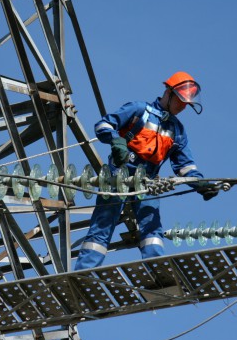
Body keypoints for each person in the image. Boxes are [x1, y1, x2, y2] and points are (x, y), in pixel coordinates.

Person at [75, 71, 219, 270]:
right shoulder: (139, 110)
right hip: (119, 175)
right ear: (168, 92)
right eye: (180, 101)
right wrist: (116, 141)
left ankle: (158, 270)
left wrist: (200, 184)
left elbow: (185, 167)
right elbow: (103, 124)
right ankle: (84, 271)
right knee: (104, 224)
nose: (182, 107)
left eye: (186, 104)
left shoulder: (177, 131)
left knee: (152, 227)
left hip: (147, 182)